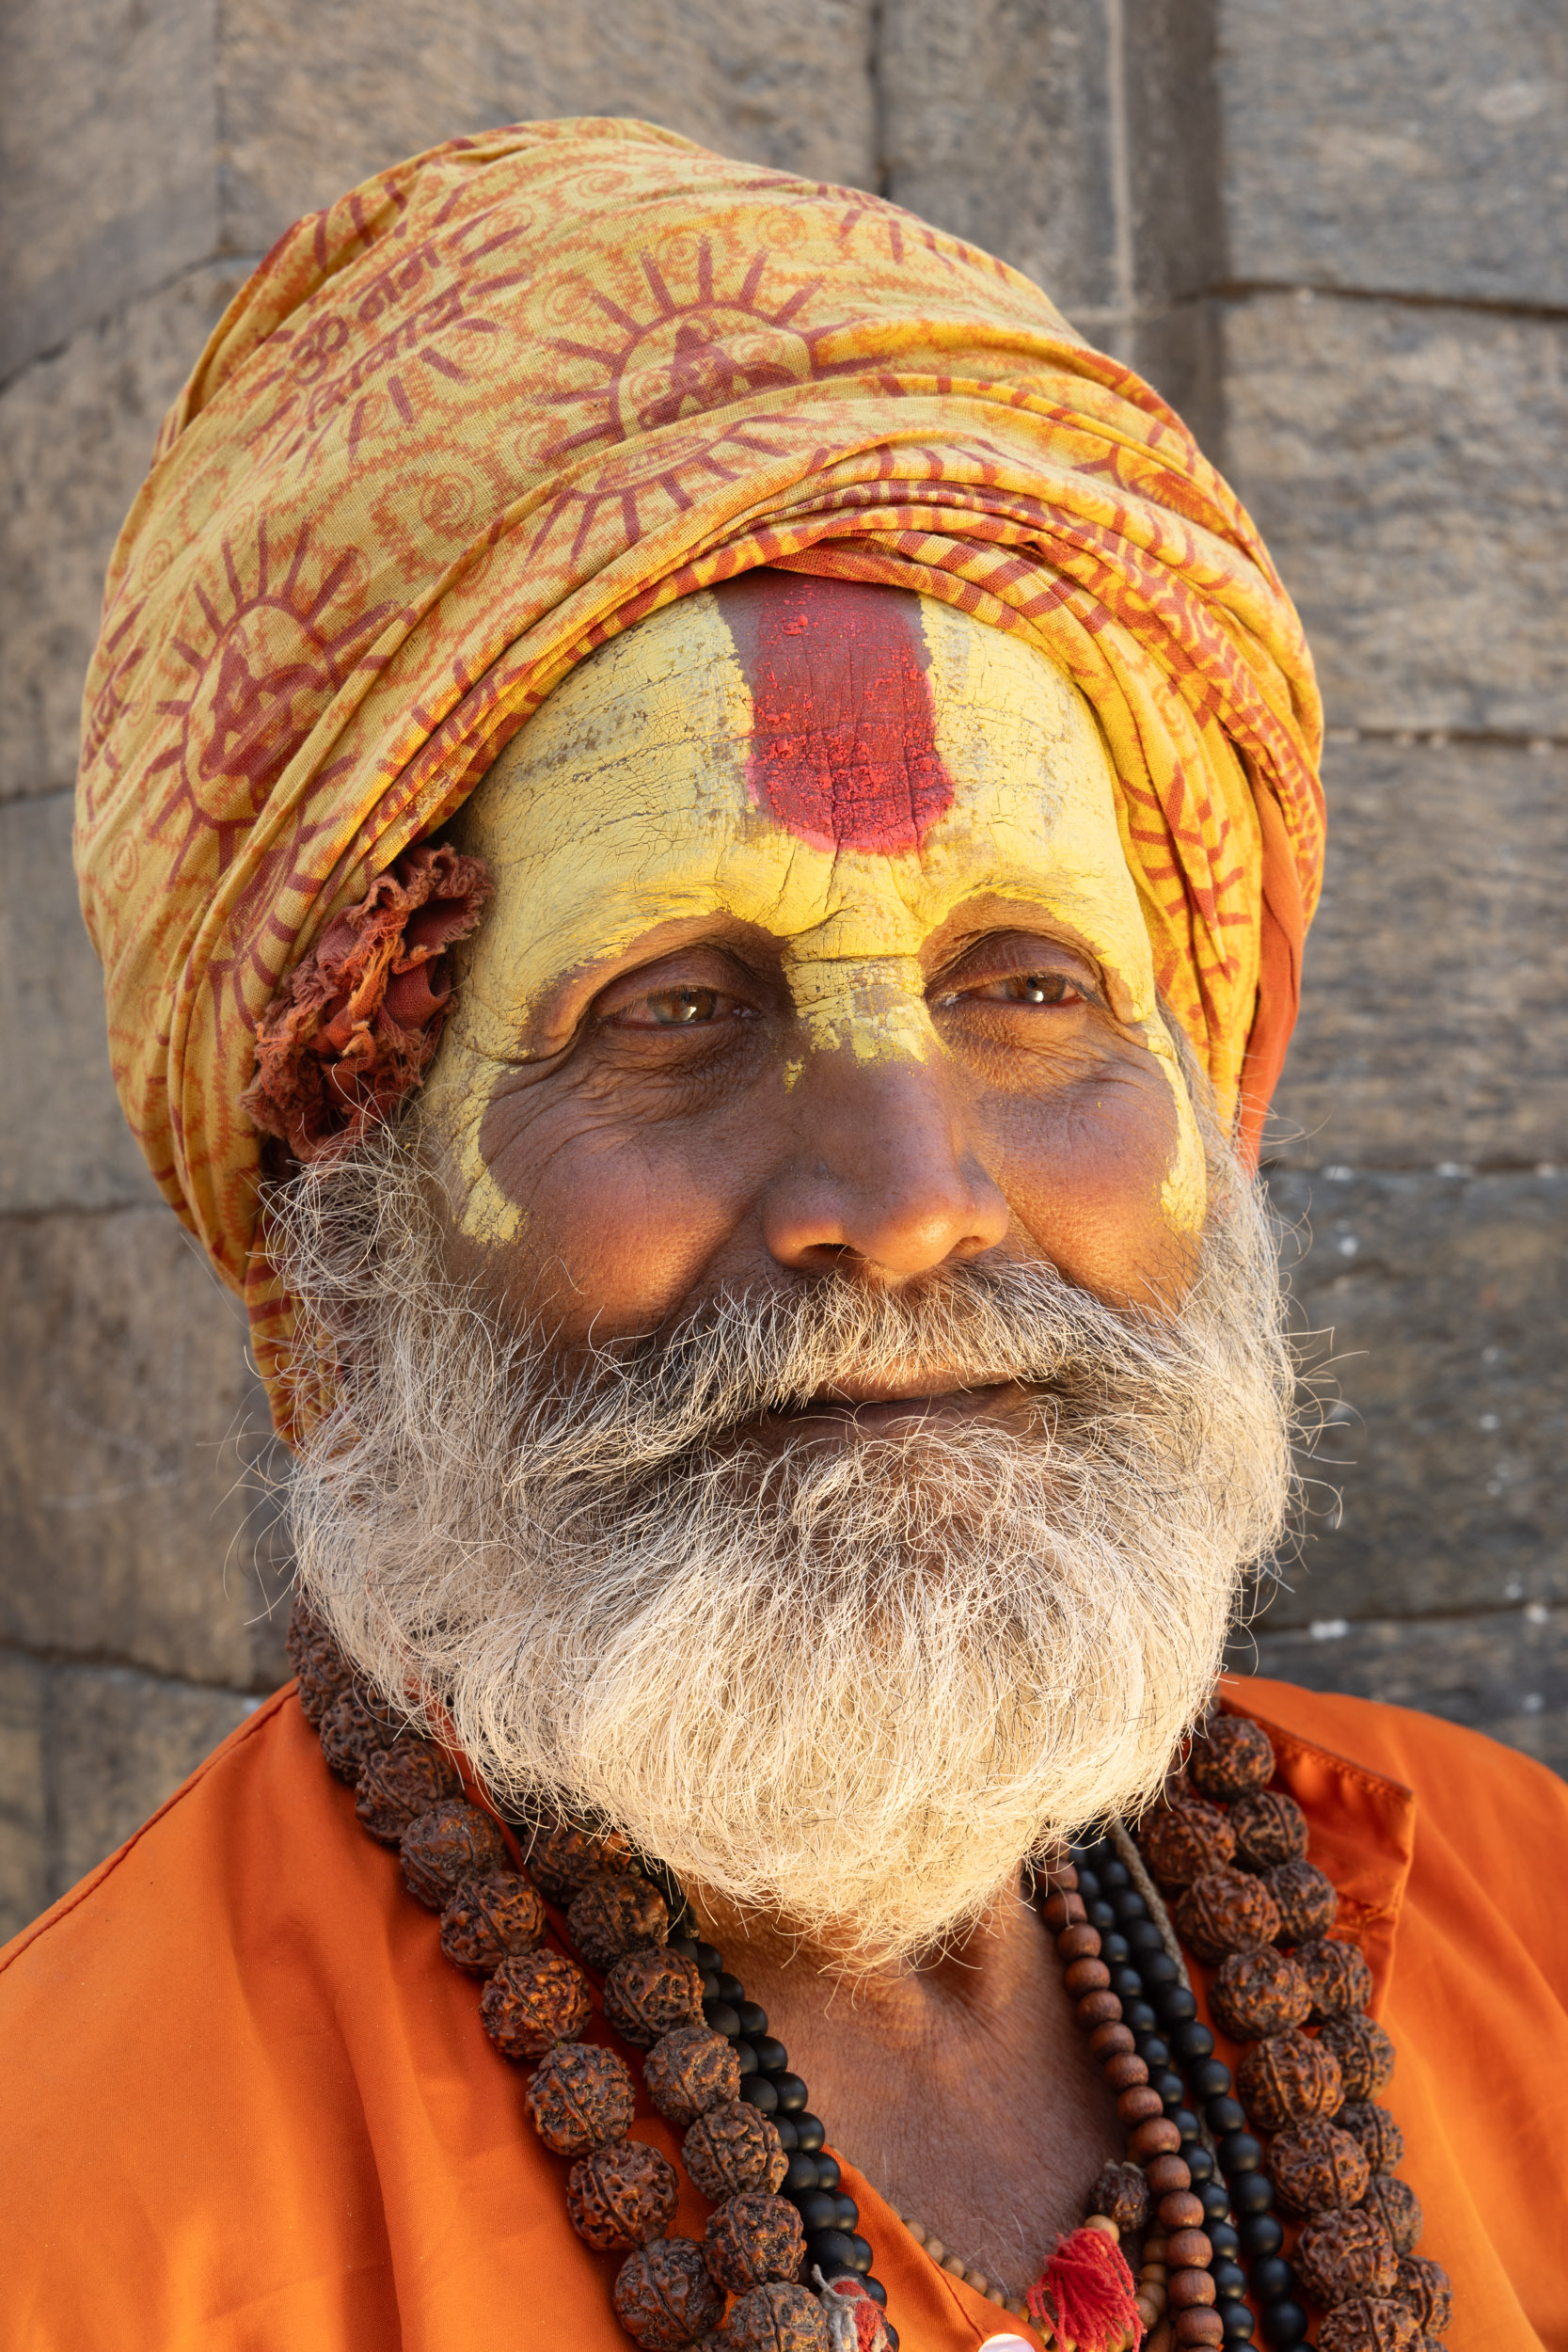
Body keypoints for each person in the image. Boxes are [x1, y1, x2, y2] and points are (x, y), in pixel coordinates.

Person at [1, 119, 1560, 2352]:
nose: (910, 1196)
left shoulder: (1523, 1922)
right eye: (671, 1008)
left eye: (1029, 986)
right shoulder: (84, 2222)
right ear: (355, 1207)